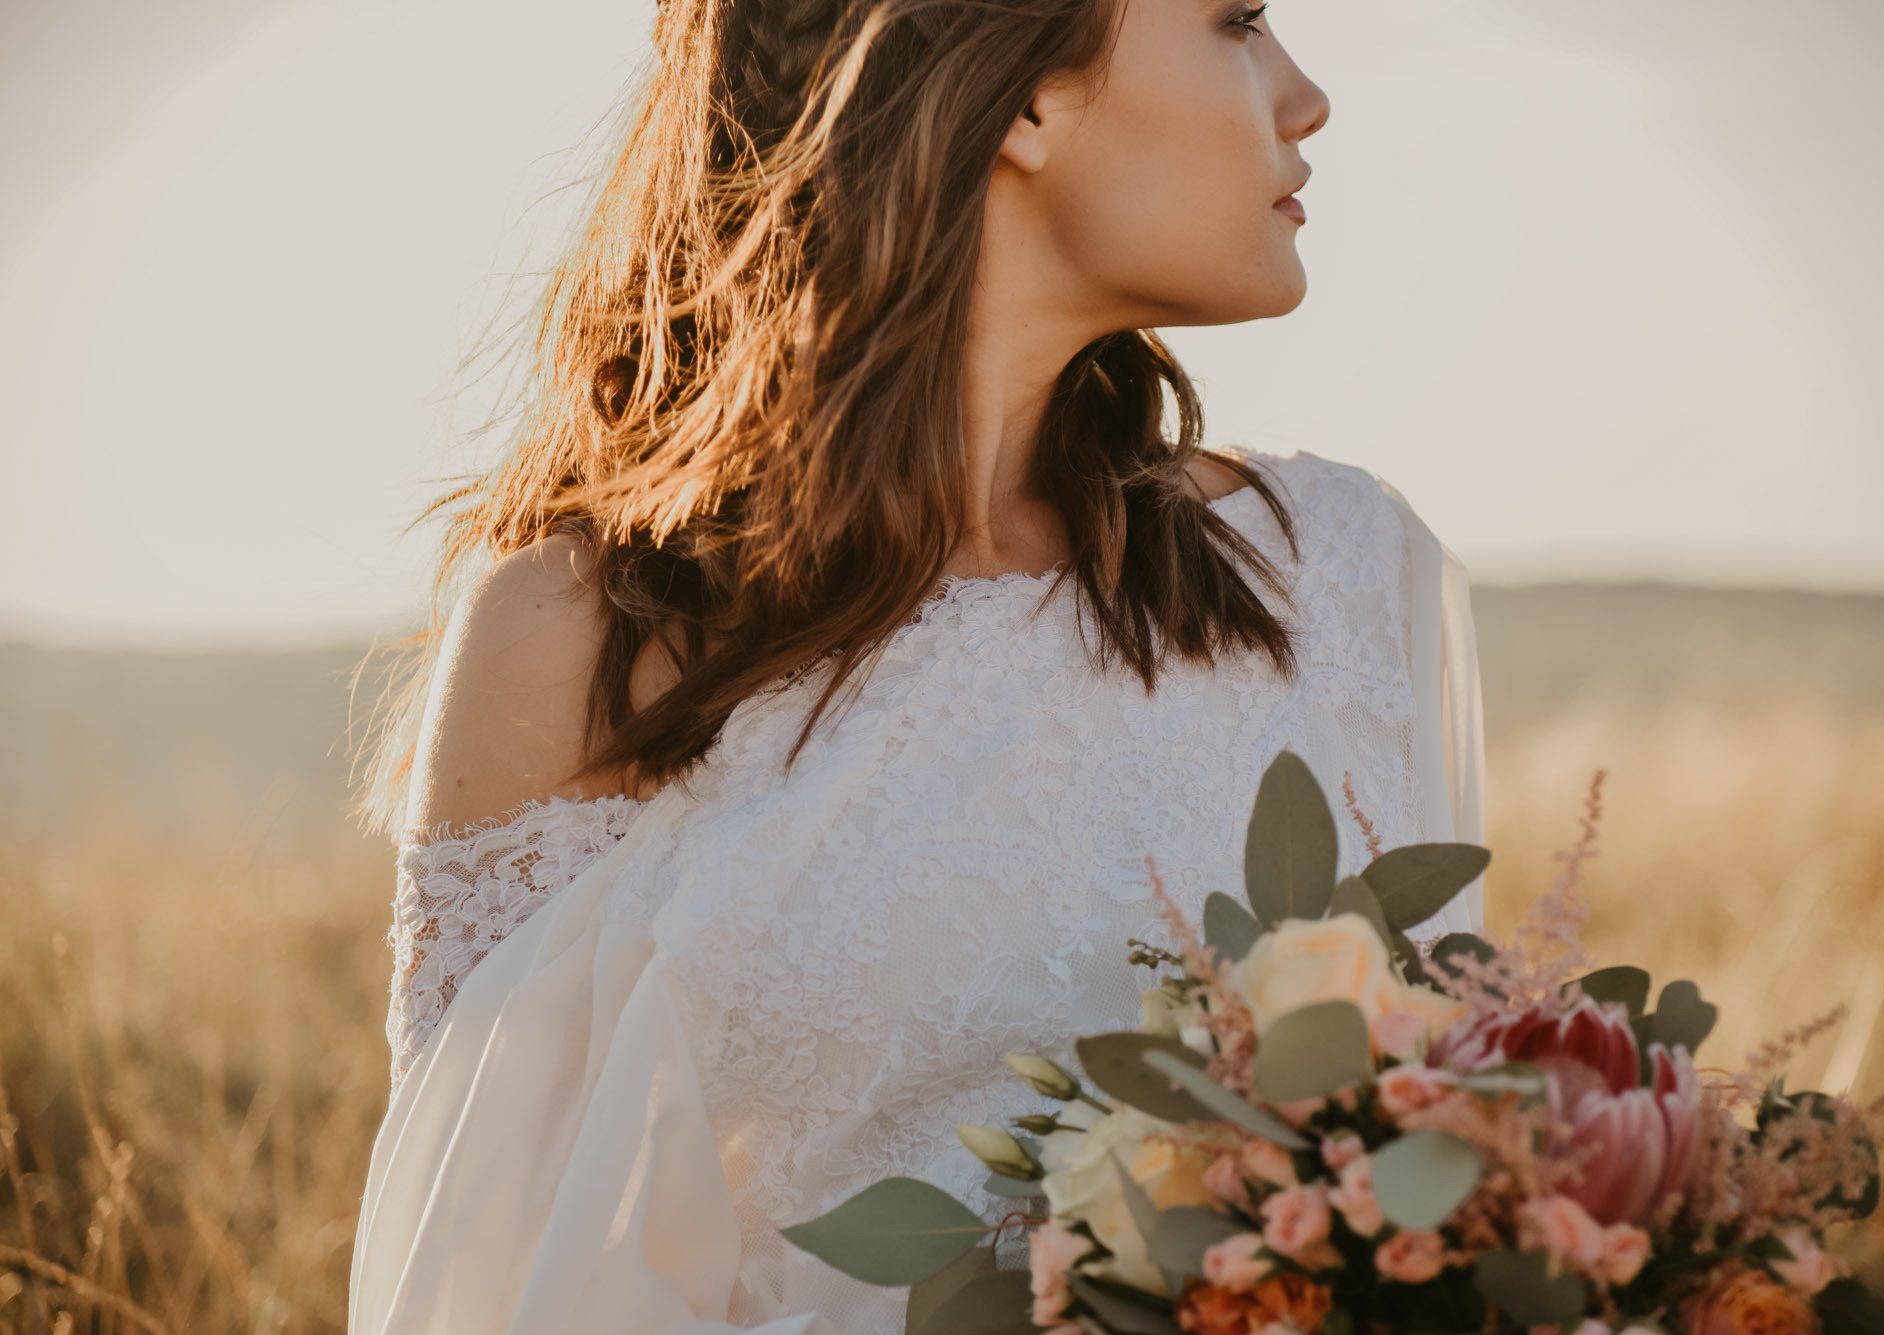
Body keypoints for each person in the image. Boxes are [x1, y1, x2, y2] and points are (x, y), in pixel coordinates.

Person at [348, 0, 1486, 1331]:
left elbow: (1441, 1148)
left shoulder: (1343, 570)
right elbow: (492, 1279)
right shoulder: (588, 634)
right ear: (1021, 99)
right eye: (1237, 22)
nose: (1306, 98)